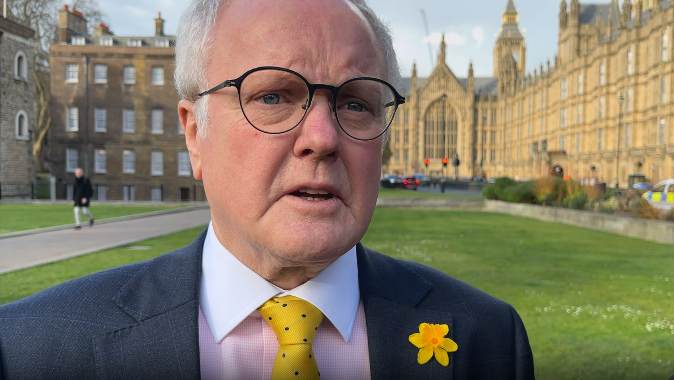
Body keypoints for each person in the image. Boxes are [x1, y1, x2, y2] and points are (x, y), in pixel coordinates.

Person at [0, 0, 534, 378]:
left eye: (355, 103)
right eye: (274, 96)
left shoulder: (488, 340)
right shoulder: (30, 349)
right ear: (195, 134)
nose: (322, 138)